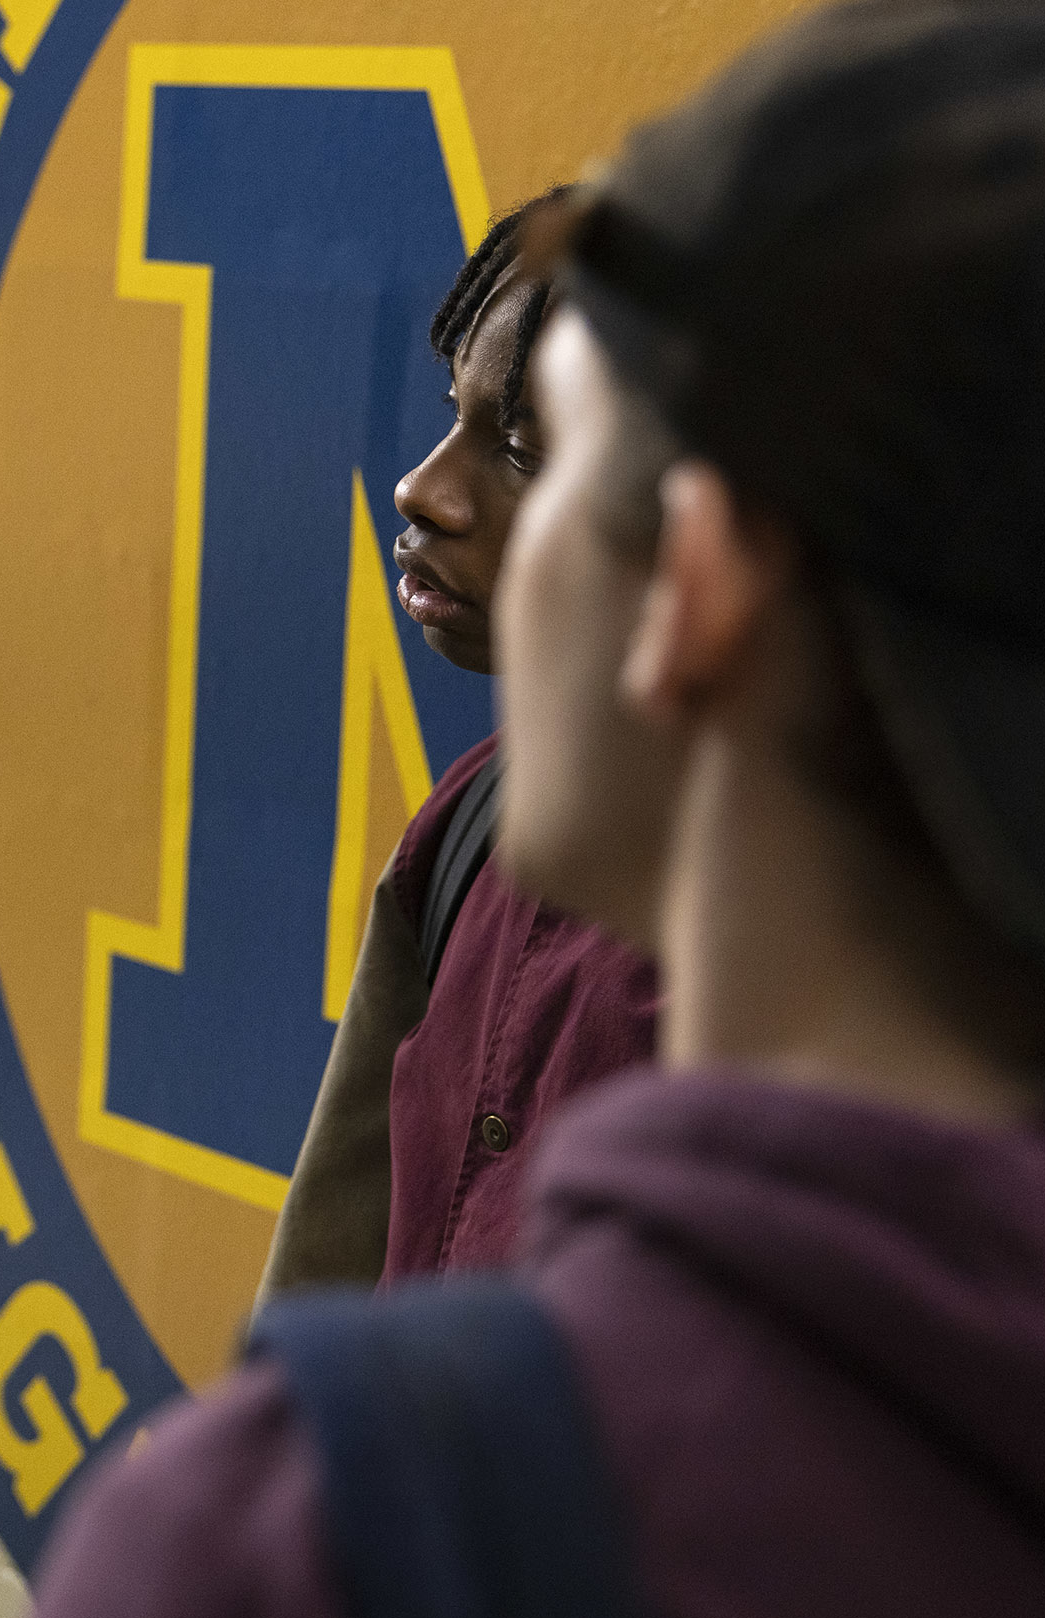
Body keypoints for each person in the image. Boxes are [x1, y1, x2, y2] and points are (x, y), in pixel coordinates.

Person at [0, 2, 1045, 1618]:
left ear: (698, 588)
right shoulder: (457, 856)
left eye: (563, 460)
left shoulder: (301, 1611)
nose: (442, 497)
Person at [257, 187, 661, 1299]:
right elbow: (332, 1255)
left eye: (525, 452)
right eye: (454, 416)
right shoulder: (474, 822)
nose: (424, 490)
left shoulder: (830, 948)